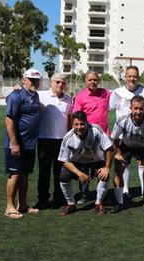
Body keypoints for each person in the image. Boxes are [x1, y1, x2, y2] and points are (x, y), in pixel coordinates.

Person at [109, 66, 144, 202]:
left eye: (134, 76)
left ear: (138, 77)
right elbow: (109, 108)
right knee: (124, 164)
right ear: (125, 77)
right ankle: (125, 191)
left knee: (143, 162)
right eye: (129, 76)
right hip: (124, 135)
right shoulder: (117, 92)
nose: (132, 79)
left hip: (142, 135)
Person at [110, 95, 144, 214]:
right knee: (118, 170)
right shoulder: (122, 120)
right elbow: (115, 138)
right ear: (130, 108)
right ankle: (120, 202)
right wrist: (118, 152)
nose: (138, 111)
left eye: (141, 109)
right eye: (135, 108)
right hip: (126, 147)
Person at [58, 111, 113, 216]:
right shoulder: (68, 137)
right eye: (76, 124)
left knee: (104, 175)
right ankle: (70, 204)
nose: (79, 127)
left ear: (87, 123)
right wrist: (80, 174)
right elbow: (63, 160)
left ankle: (98, 203)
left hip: (96, 161)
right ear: (72, 124)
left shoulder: (96, 130)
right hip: (76, 162)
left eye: (82, 124)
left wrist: (107, 167)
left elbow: (109, 149)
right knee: (64, 176)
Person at [4, 69, 42, 219]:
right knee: (15, 174)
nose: (34, 82)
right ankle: (9, 206)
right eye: (31, 79)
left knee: (25, 175)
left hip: (30, 144)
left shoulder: (35, 95)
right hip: (16, 144)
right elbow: (9, 119)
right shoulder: (16, 95)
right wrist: (14, 143)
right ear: (24, 79)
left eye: (37, 80)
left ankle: (23, 204)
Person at [72, 71, 111, 203]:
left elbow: (121, 97)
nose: (93, 82)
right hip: (86, 136)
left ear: (98, 81)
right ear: (85, 81)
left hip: (103, 137)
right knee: (83, 167)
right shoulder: (80, 97)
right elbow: (76, 116)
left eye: (95, 80)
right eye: (90, 80)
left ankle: (100, 196)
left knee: (102, 166)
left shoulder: (105, 93)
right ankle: (84, 194)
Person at [35, 73, 72, 209]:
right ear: (51, 82)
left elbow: (69, 119)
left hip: (61, 142)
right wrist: (17, 88)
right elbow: (26, 93)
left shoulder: (69, 99)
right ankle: (43, 199)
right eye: (57, 82)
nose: (60, 85)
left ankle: (59, 198)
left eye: (63, 82)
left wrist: (69, 138)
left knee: (59, 172)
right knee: (44, 171)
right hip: (44, 139)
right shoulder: (40, 95)